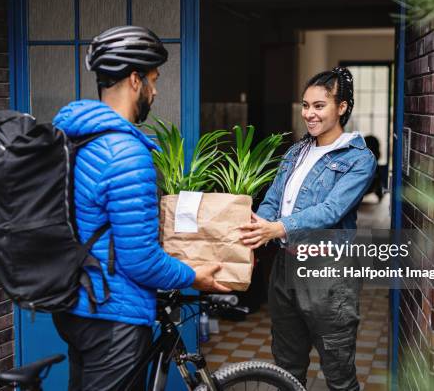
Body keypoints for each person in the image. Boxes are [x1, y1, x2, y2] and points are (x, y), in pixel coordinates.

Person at [51, 26, 230, 391]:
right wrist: (194, 276)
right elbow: (139, 259)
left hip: (75, 305)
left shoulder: (73, 136)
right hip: (113, 314)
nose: (156, 89)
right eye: (153, 79)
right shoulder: (126, 152)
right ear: (135, 80)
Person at [240, 68, 376, 390]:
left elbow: (331, 210)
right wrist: (259, 226)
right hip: (285, 266)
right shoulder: (296, 152)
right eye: (305, 105)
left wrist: (277, 228)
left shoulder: (359, 158)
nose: (309, 114)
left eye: (319, 106)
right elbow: (272, 199)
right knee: (287, 367)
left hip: (326, 272)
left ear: (341, 107)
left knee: (338, 374)